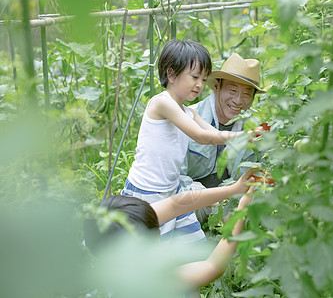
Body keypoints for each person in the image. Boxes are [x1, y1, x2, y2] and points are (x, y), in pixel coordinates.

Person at [122, 40, 244, 243]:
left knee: (194, 244)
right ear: (171, 74)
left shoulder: (188, 111)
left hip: (173, 188)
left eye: (203, 80)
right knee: (150, 247)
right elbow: (201, 137)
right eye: (195, 77)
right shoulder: (162, 102)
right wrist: (243, 137)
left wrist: (249, 138)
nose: (199, 85)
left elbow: (213, 133)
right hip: (149, 191)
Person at [85, 171, 256, 296]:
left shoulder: (119, 227)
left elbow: (175, 205)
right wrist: (241, 211)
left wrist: (234, 189)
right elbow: (213, 266)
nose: (160, 230)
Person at [180, 53, 270, 222]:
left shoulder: (256, 127)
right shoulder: (188, 117)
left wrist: (242, 204)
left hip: (234, 200)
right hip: (194, 200)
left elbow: (265, 171)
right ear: (217, 86)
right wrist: (214, 203)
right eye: (233, 90)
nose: (238, 100)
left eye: (246, 94)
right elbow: (176, 178)